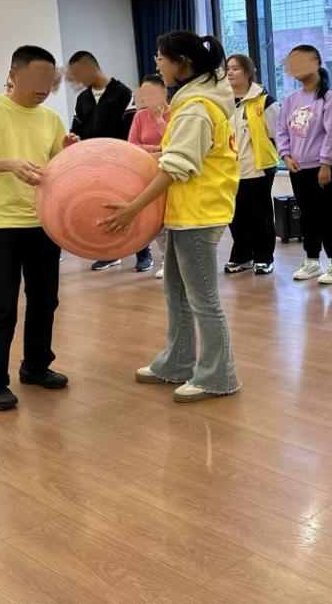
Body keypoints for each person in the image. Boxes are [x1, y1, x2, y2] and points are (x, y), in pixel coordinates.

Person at [100, 31, 241, 403]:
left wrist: (133, 208)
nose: (157, 65)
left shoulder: (195, 106)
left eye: (161, 58)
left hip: (199, 213)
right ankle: (177, 363)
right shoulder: (195, 100)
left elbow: (177, 166)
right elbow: (180, 155)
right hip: (186, 211)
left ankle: (218, 376)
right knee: (177, 292)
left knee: (203, 299)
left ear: (183, 62)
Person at [0, 45, 70, 412]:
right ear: (13, 74)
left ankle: (36, 366)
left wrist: (71, 152)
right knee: (2, 304)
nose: (43, 87)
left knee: (45, 299)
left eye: (50, 80)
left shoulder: (51, 118)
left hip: (42, 220)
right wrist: (9, 164)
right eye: (36, 78)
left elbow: (58, 169)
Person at [277, 45, 332, 285]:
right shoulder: (291, 99)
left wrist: (326, 164)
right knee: (307, 216)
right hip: (298, 168)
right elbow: (281, 130)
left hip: (323, 168)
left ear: (317, 62)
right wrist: (286, 156)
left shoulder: (331, 98)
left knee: (325, 217)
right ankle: (312, 259)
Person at [66, 51, 133, 272]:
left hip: (120, 161)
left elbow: (131, 130)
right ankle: (109, 253)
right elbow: (77, 129)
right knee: (101, 207)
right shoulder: (82, 99)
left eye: (77, 74)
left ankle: (143, 253)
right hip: (92, 164)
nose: (76, 80)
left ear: (89, 68)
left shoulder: (123, 93)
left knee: (128, 205)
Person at [225, 54, 280, 276]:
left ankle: (264, 256)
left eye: (235, 68)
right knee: (234, 216)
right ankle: (242, 255)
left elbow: (278, 134)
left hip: (258, 168)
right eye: (228, 68)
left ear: (249, 72)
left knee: (259, 216)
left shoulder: (264, 101)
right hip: (229, 170)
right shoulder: (222, 102)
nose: (230, 72)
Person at [127, 74, 171, 276]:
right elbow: (132, 146)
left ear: (164, 91)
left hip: (171, 173)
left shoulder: (177, 112)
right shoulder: (140, 116)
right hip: (147, 173)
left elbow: (175, 142)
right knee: (157, 221)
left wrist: (159, 120)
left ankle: (176, 263)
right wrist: (155, 149)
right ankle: (166, 262)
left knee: (172, 219)